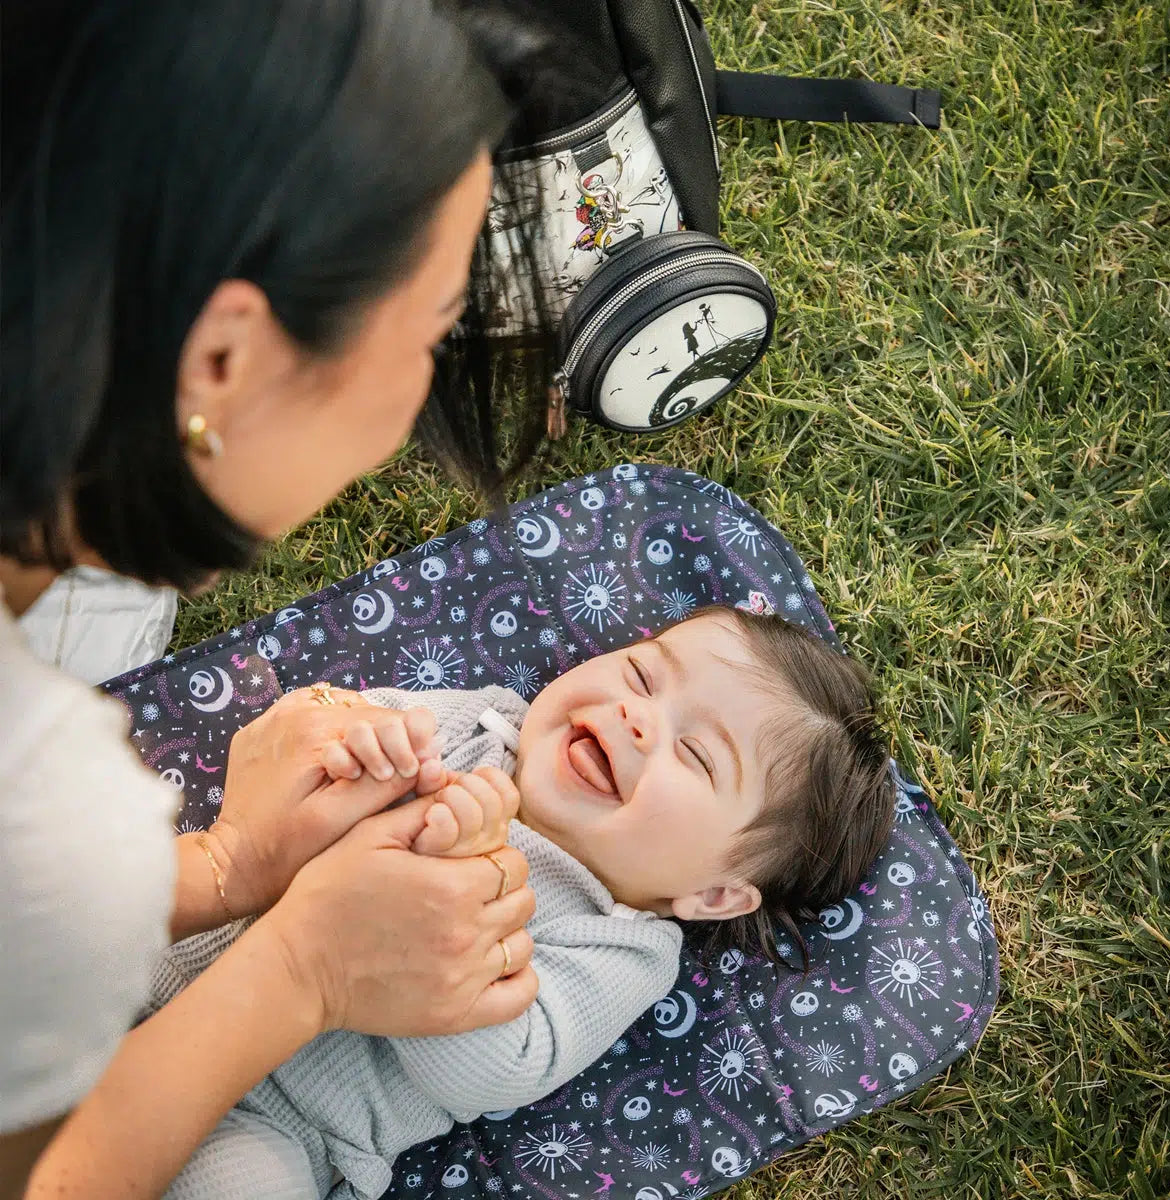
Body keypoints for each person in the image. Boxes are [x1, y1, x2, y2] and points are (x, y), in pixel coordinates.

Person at [0, 1, 572, 1194]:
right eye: (430, 332)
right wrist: (304, 970)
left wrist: (224, 868)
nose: (422, 400)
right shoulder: (47, 806)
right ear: (224, 360)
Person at [151, 606, 895, 1198]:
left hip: (275, 1119)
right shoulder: (479, 726)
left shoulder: (623, 945)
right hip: (170, 950)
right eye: (641, 674)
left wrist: (450, 892)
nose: (638, 717)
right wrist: (357, 747)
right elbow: (332, 751)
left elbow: (506, 1067)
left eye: (695, 755)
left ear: (712, 894)